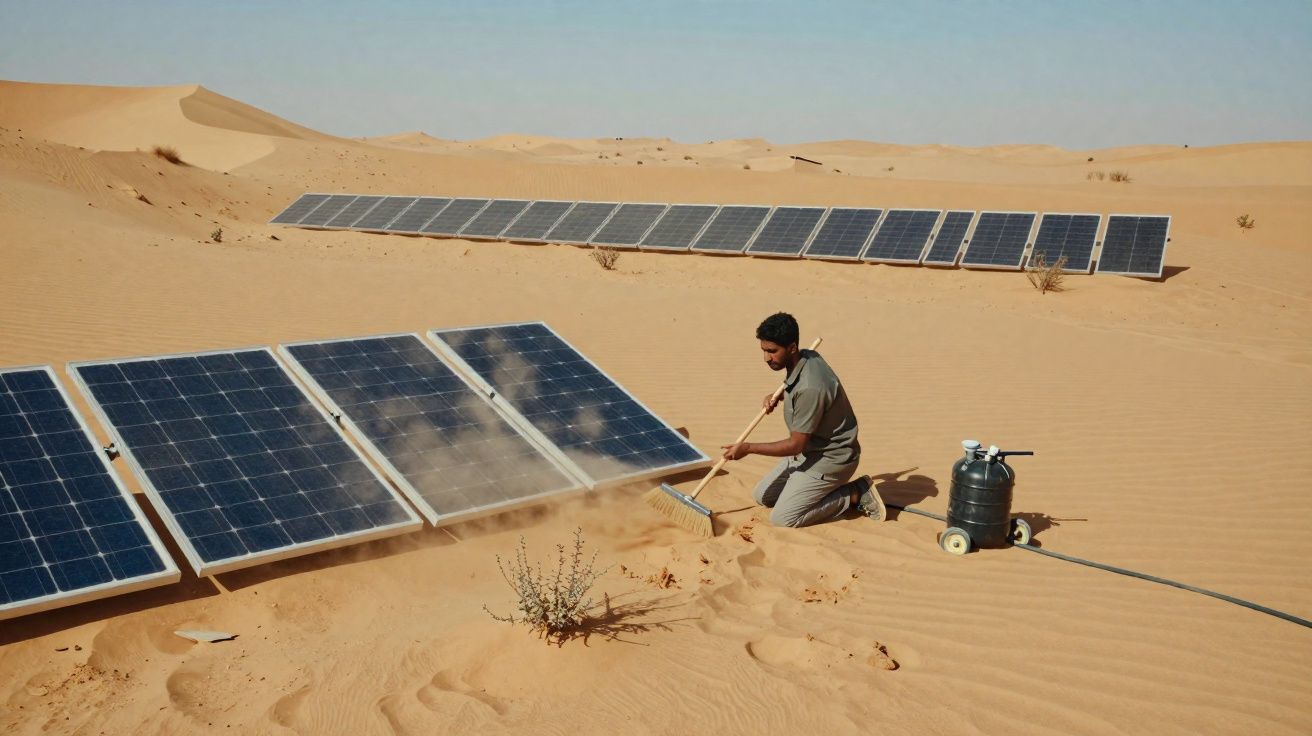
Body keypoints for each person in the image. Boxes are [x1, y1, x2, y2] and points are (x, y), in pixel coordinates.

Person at [721, 312, 882, 527]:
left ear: (792, 347)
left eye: (772, 351)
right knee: (763, 496)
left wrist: (748, 448)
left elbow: (795, 444)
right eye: (764, 350)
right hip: (809, 452)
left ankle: (855, 493)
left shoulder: (810, 388)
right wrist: (780, 393)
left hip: (832, 460)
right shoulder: (806, 356)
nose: (766, 358)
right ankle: (805, 487)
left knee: (783, 518)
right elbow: (800, 386)